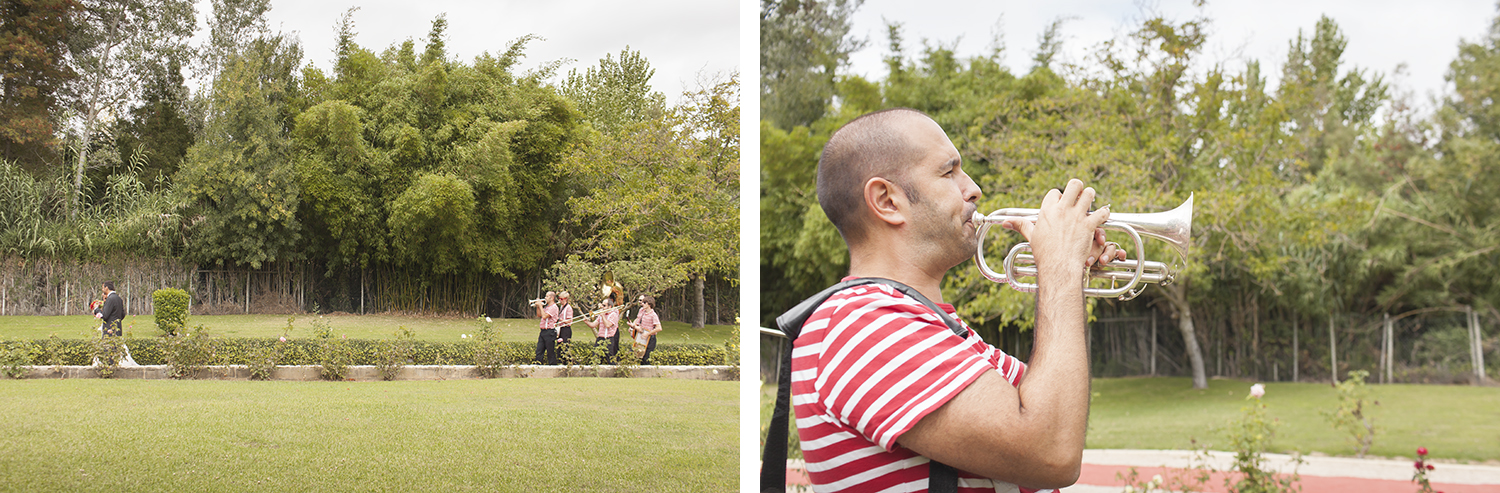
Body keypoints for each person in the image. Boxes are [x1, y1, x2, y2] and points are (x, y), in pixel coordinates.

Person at [789, 108, 1124, 492]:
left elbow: (1055, 411)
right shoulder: (862, 322)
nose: (974, 188)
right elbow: (1051, 452)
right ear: (886, 200)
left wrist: (1070, 276)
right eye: (949, 172)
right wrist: (1059, 271)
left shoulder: (922, 325)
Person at [92, 281, 137, 366]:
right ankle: (115, 364)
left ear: (106, 288)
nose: (102, 289)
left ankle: (109, 366)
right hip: (117, 327)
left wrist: (96, 309)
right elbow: (122, 314)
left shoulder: (110, 299)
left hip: (109, 329)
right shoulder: (118, 298)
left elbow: (104, 315)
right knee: (115, 348)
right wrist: (116, 320)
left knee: (108, 348)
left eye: (103, 287)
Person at [626, 294, 661, 365]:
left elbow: (659, 328)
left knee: (646, 358)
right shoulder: (643, 312)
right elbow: (640, 327)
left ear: (649, 304)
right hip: (641, 337)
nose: (642, 304)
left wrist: (648, 334)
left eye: (645, 302)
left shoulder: (653, 315)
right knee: (633, 353)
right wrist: (632, 326)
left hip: (650, 338)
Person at [533, 291, 559, 365]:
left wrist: (540, 306)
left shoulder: (554, 307)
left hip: (550, 331)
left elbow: (544, 316)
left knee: (550, 352)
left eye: (547, 296)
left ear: (552, 298)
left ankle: (553, 366)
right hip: (543, 331)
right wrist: (538, 306)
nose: (545, 298)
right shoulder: (547, 307)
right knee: (539, 351)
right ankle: (537, 366)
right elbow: (539, 315)